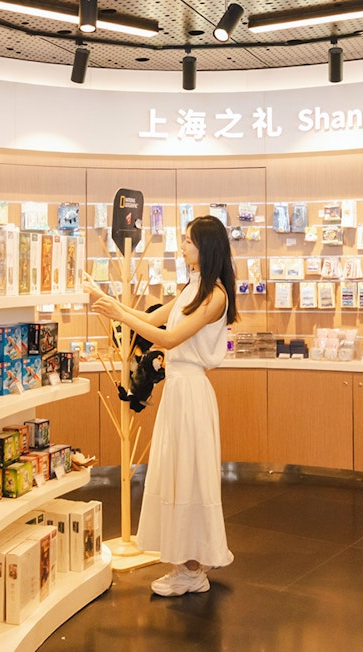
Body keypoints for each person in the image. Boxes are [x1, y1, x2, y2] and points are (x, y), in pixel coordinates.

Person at [87, 214, 238, 596]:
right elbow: (153, 318)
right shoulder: (194, 287)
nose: (182, 246)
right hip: (178, 392)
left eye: (188, 241)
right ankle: (184, 563)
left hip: (192, 393)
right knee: (175, 471)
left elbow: (169, 339)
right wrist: (111, 305)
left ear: (207, 247)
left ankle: (192, 568)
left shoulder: (215, 295)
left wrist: (121, 314)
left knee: (189, 474)